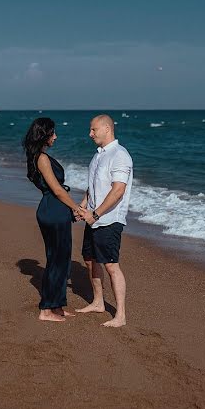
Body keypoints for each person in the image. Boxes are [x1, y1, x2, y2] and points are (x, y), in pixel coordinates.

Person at [23, 117, 86, 322]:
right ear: (44, 135)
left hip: (54, 209)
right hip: (53, 209)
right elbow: (57, 190)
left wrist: (70, 209)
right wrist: (77, 208)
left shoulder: (38, 157)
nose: (56, 137)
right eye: (53, 133)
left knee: (62, 258)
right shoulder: (41, 158)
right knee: (56, 260)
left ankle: (57, 305)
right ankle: (46, 309)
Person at [75, 114, 133, 327]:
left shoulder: (120, 155)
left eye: (93, 130)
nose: (90, 134)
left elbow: (118, 190)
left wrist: (96, 213)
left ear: (107, 129)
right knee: (90, 259)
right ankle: (98, 302)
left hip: (109, 220)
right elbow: (94, 186)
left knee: (111, 265)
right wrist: (82, 206)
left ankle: (121, 315)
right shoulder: (98, 155)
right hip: (93, 218)